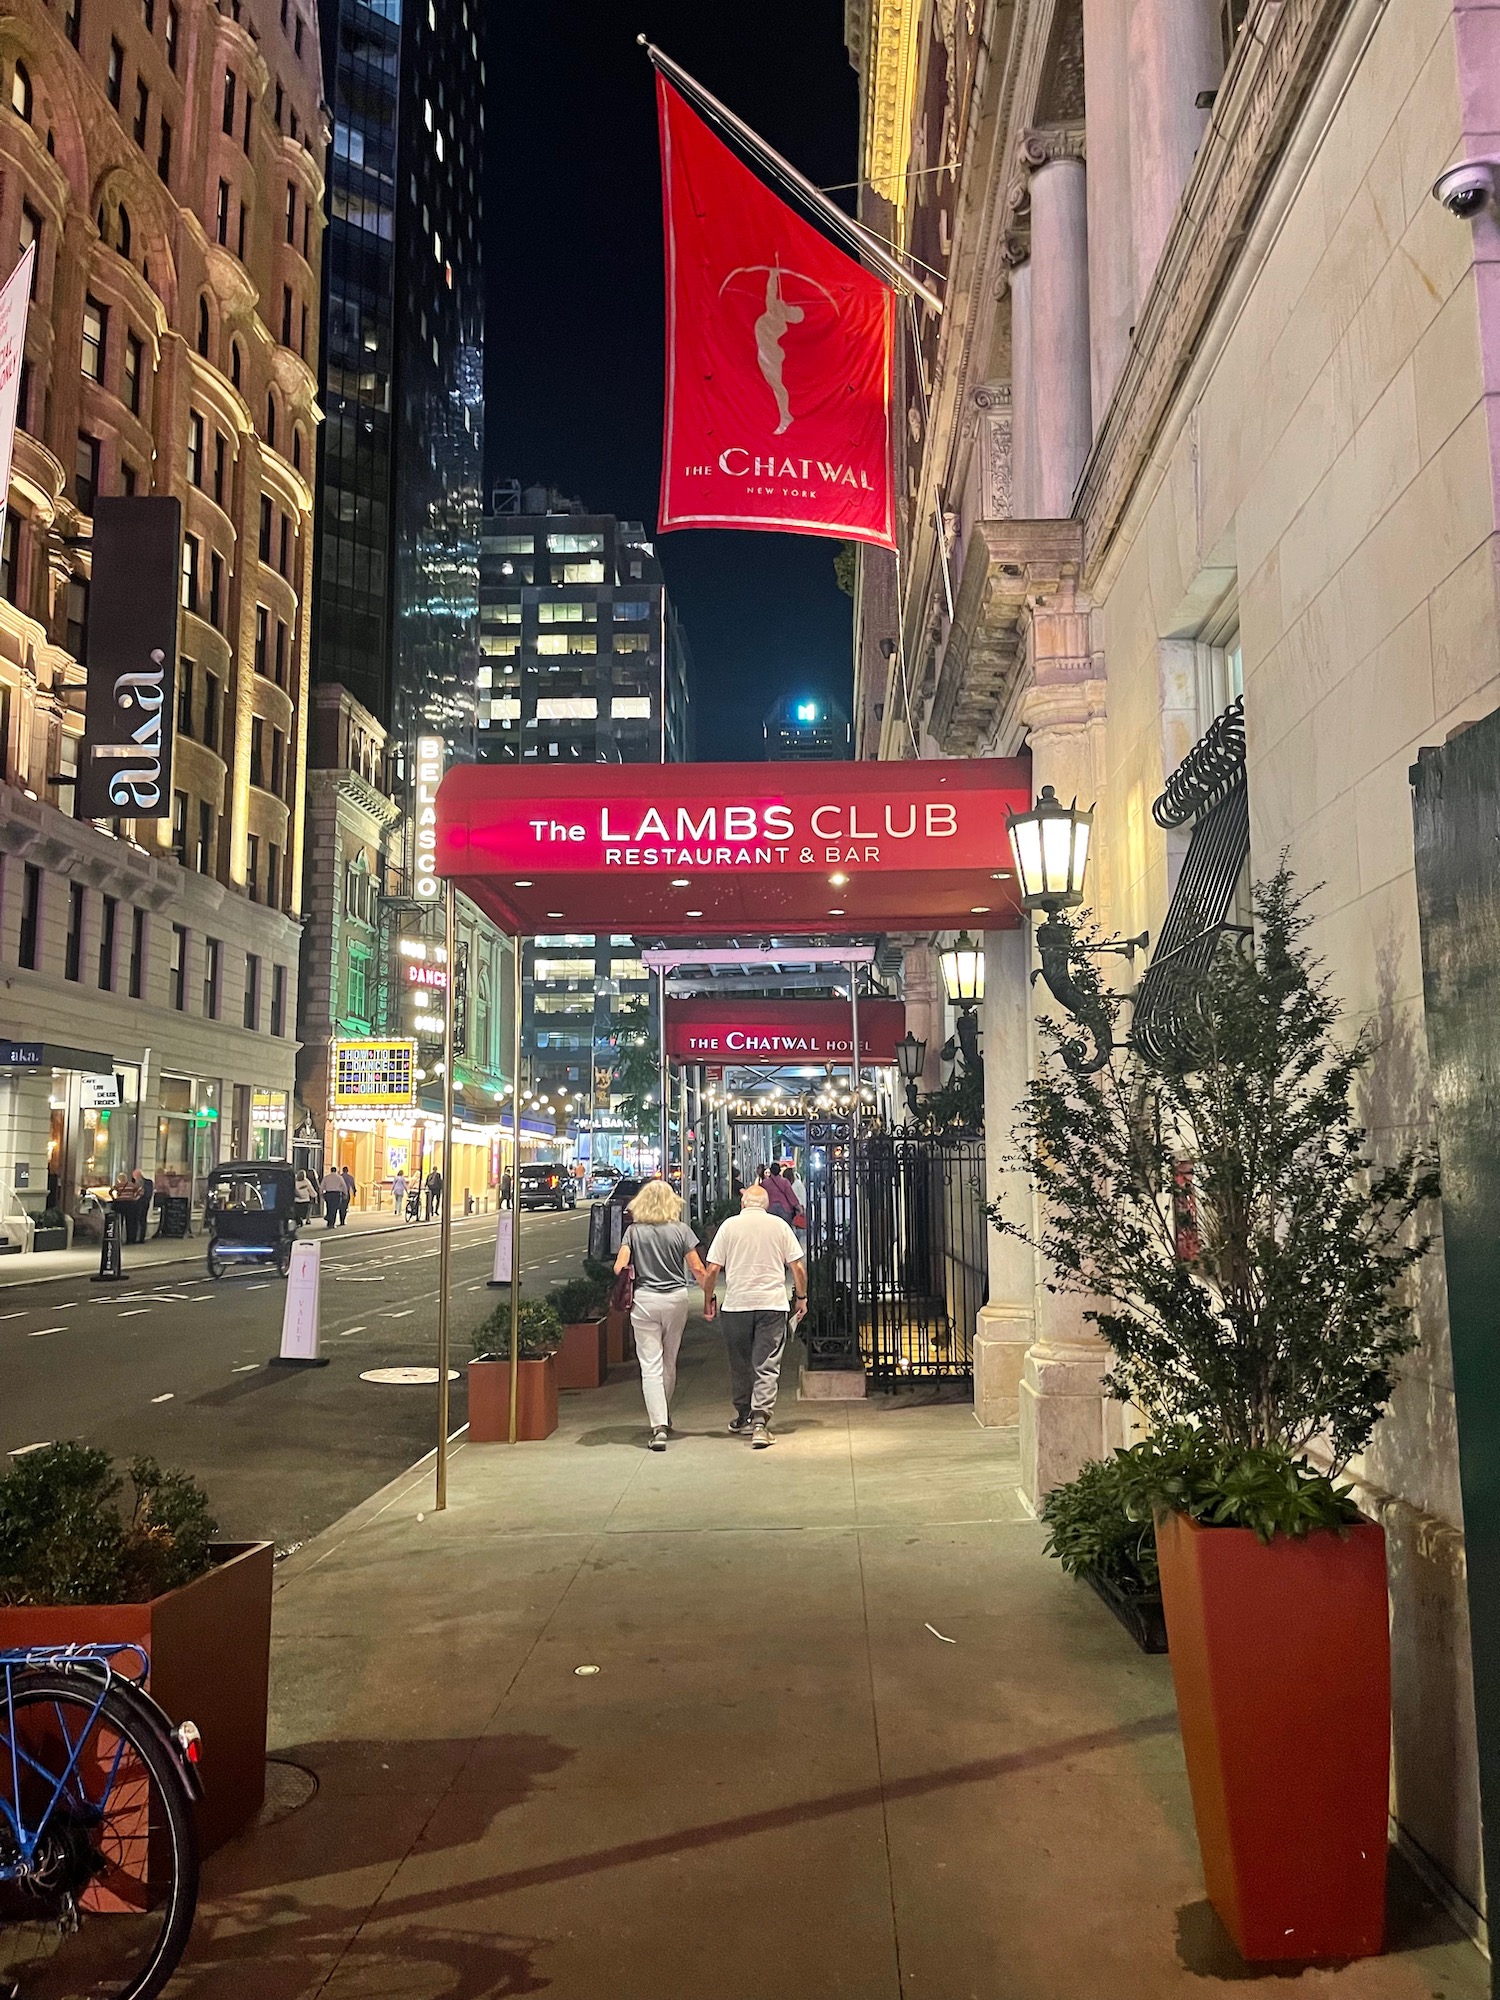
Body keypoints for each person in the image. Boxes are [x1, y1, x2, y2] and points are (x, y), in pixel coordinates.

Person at [701, 1183, 807, 1448]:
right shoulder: (780, 1226)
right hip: (772, 1305)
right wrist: (802, 1298)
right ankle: (760, 1422)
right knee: (767, 1363)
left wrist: (708, 1299)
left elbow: (712, 1269)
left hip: (737, 1305)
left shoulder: (728, 1227)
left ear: (743, 1204)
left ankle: (742, 1415)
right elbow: (798, 1267)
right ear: (768, 1204)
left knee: (739, 1363)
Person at [613, 1178, 708, 1452]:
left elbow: (620, 1267)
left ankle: (658, 1426)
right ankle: (663, 1416)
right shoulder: (681, 1231)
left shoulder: (633, 1232)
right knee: (669, 1360)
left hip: (644, 1301)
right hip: (676, 1299)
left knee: (650, 1365)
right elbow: (698, 1270)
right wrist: (709, 1296)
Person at [320, 1163, 346, 1228]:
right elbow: (343, 1186)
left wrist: (321, 1193)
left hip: (328, 1194)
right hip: (336, 1194)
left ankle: (329, 1222)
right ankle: (332, 1223)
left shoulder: (326, 1177)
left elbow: (322, 1186)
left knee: (329, 1207)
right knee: (334, 1209)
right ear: (336, 1171)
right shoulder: (339, 1177)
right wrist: (345, 1193)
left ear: (331, 1170)